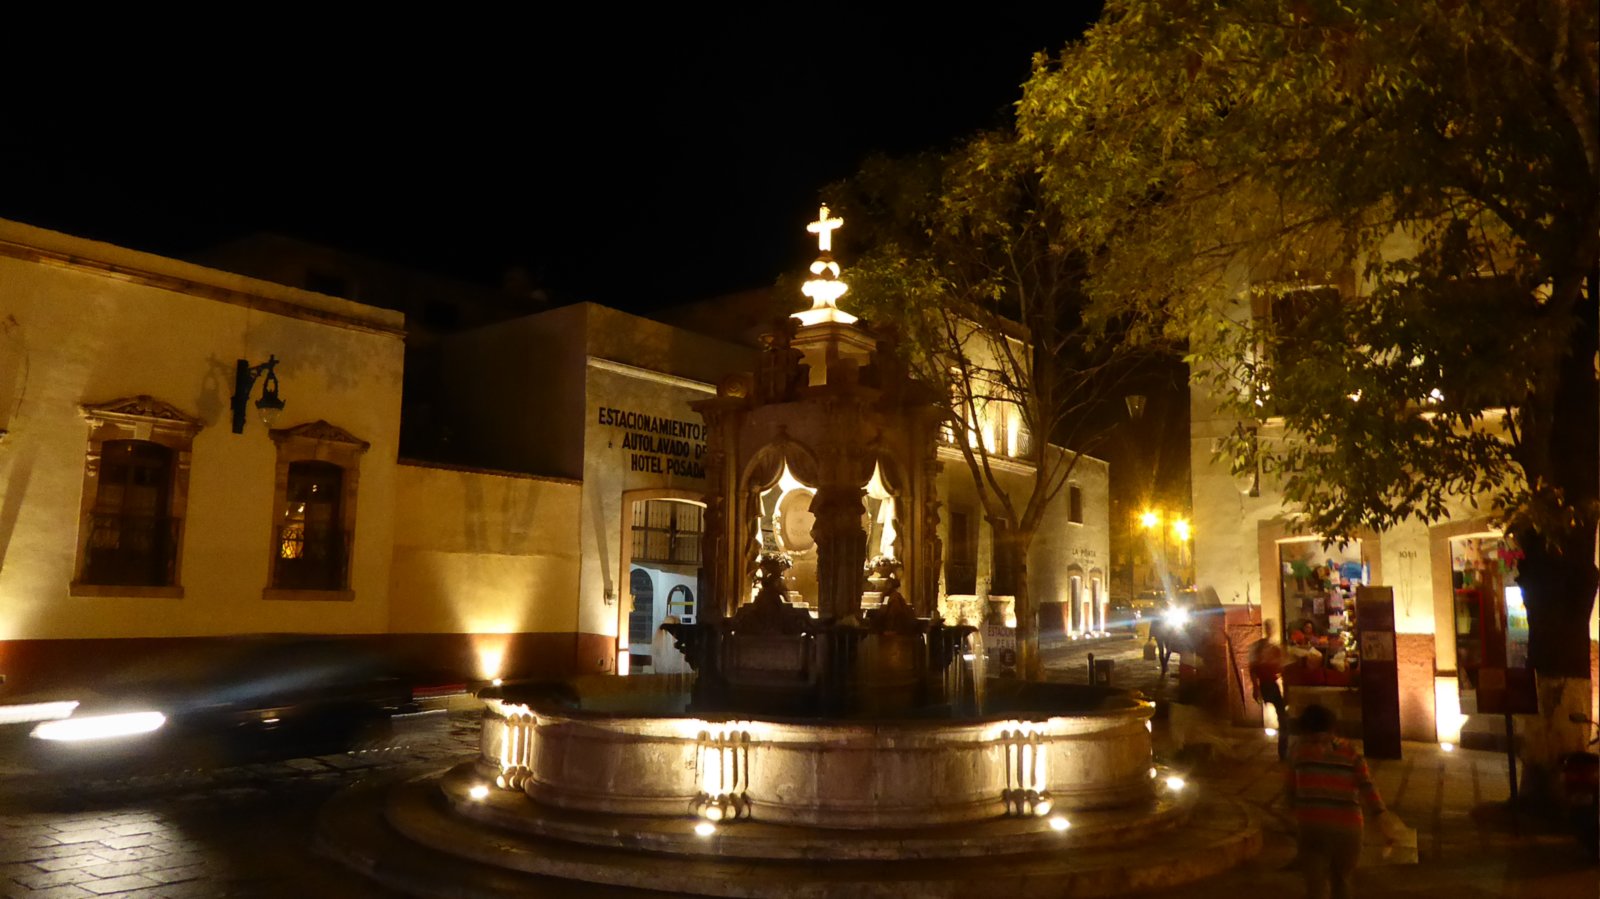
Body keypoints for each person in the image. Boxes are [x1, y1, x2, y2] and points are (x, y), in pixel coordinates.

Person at [1285, 704, 1390, 899]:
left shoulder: (1298, 751)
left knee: (1315, 885)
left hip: (1311, 826)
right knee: (1341, 881)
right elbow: (1367, 785)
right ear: (1333, 727)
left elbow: (1291, 789)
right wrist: (1379, 815)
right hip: (1348, 828)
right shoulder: (1350, 752)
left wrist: (1291, 813)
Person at [1249, 620, 1288, 760]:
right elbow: (1253, 669)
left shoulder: (1275, 648)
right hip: (1267, 684)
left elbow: (1281, 668)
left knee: (1283, 717)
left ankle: (1283, 751)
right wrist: (1256, 687)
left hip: (1273, 684)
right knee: (1283, 717)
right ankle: (1283, 752)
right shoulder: (1259, 647)